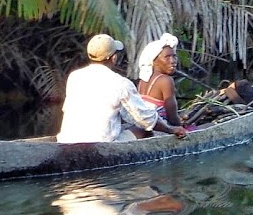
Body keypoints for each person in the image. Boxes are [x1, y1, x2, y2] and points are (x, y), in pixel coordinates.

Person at [57, 34, 187, 143]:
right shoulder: (121, 83)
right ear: (114, 58)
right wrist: (171, 129)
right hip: (102, 142)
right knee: (144, 129)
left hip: (66, 140)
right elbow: (145, 119)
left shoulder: (74, 77)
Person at [136, 33, 184, 127]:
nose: (173, 61)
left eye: (174, 56)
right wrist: (181, 127)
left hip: (145, 126)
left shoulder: (143, 80)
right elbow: (172, 117)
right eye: (167, 57)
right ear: (154, 61)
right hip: (159, 127)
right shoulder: (165, 81)